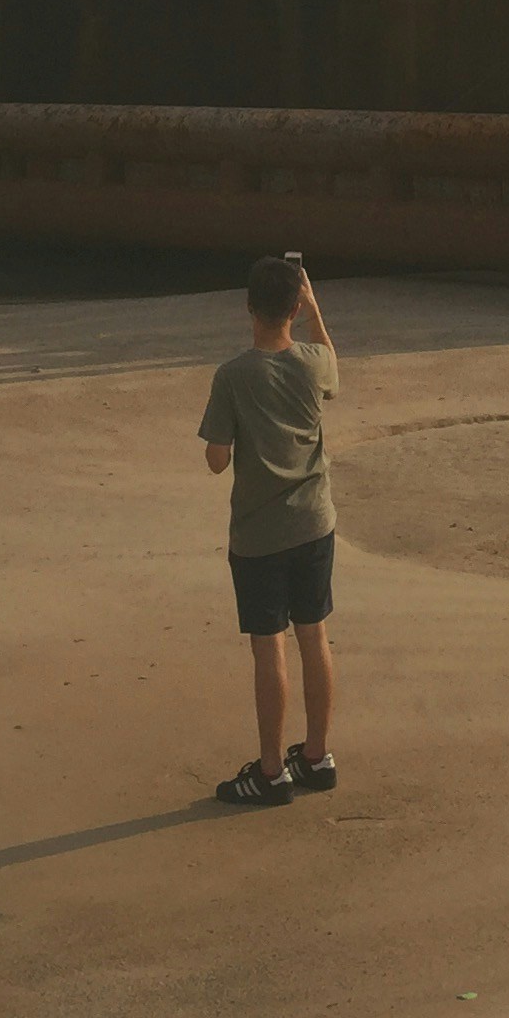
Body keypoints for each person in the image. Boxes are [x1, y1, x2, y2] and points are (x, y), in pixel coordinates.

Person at [199, 255, 339, 807]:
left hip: (260, 536)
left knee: (268, 648)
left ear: (249, 307)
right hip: (314, 524)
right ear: (296, 305)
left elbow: (216, 459)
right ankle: (317, 755)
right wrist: (316, 312)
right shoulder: (311, 364)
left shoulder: (233, 375)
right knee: (314, 636)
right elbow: (330, 360)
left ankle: (271, 768)